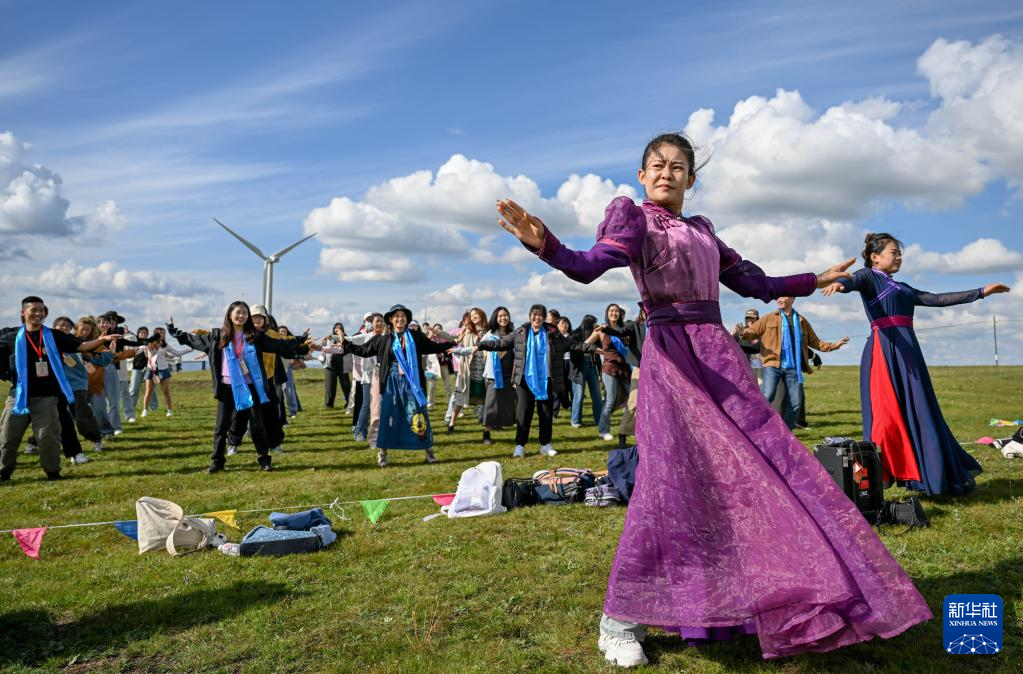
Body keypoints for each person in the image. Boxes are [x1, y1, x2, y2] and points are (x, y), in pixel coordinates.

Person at [494, 132, 931, 665]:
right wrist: (544, 243)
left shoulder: (703, 230)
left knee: (763, 469)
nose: (666, 173)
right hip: (672, 360)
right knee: (667, 483)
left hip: (720, 361)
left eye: (678, 167)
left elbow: (757, 282)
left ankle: (758, 594)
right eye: (656, 165)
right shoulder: (631, 216)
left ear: (691, 180)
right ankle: (621, 618)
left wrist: (816, 279)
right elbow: (590, 265)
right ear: (641, 174)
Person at [822, 233, 1011, 495]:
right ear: (875, 257)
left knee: (922, 412)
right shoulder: (869, 277)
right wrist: (840, 283)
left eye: (900, 253)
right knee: (886, 418)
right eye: (893, 252)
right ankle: (881, 474)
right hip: (884, 352)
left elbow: (938, 299)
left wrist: (981, 292)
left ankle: (930, 474)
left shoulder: (903, 288)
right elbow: (852, 281)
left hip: (909, 355)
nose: (898, 257)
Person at [166, 301, 313, 473]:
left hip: (251, 386)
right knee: (221, 427)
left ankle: (264, 460)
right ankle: (216, 462)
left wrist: (299, 339)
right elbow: (193, 340)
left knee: (257, 424)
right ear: (229, 315)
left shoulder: (254, 336)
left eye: (244, 313)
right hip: (227, 387)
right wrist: (173, 330)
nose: (241, 316)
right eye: (238, 312)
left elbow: (278, 345)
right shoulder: (218, 336)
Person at [0, 296, 119, 481]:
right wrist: (6, 373)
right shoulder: (11, 336)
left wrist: (101, 340)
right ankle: (4, 472)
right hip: (18, 396)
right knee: (8, 437)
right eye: (34, 310)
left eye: (42, 310)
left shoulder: (53, 336)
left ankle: (52, 472)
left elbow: (81, 346)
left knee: (49, 438)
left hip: (47, 397)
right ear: (23, 313)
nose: (39, 314)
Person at [477, 304, 601, 457]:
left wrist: (593, 349)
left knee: (546, 413)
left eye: (541, 315)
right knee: (524, 413)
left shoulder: (553, 334)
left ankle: (545, 444)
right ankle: (520, 445)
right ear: (530, 316)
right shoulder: (521, 332)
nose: (538, 318)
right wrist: (481, 345)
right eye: (535, 315)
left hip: (547, 380)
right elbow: (501, 343)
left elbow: (573, 344)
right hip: (524, 380)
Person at [337, 304, 454, 467]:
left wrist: (451, 344)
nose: (400, 319)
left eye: (403, 316)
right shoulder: (383, 339)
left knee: (417, 414)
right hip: (391, 381)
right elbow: (363, 350)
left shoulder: (416, 337)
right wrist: (346, 344)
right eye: (396, 316)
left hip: (412, 381)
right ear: (391, 320)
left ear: (407, 320)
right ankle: (382, 453)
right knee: (387, 415)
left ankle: (428, 451)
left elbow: (432, 347)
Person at [737, 297, 848, 430]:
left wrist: (834, 345)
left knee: (795, 402)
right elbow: (752, 332)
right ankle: (757, 425)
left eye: (782, 296)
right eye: (777, 297)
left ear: (792, 299)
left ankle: (784, 432)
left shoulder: (801, 321)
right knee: (768, 395)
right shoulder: (769, 318)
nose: (779, 299)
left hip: (793, 368)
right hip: (773, 364)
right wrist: (743, 333)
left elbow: (816, 342)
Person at [601, 306, 646, 448]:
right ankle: (623, 434)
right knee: (633, 402)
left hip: (657, 369)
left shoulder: (658, 327)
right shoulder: (634, 325)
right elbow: (620, 332)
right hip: (639, 368)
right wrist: (606, 329)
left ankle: (647, 434)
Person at [479, 307, 516, 445]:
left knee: (508, 403)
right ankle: (486, 434)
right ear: (495, 318)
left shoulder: (514, 334)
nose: (503, 318)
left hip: (510, 374)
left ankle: (502, 424)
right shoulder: (489, 335)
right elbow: (483, 352)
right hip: (493, 375)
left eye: (505, 315)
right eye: (500, 316)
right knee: (491, 404)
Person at [446, 307, 487, 432]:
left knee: (486, 397)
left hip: (484, 368)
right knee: (460, 396)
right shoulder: (467, 331)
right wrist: (438, 332)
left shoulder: (488, 331)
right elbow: (452, 338)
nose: (474, 316)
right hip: (468, 369)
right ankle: (452, 423)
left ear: (482, 315)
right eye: (472, 315)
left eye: (476, 314)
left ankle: (488, 424)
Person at [597, 303, 632, 441]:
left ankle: (630, 428)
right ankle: (603, 430)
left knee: (632, 399)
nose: (614, 313)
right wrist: (601, 351)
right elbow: (587, 344)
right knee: (610, 400)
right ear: (607, 313)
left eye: (616, 311)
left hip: (624, 370)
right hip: (609, 369)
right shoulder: (601, 329)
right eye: (611, 311)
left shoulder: (623, 330)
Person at [141, 332, 191, 418]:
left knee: (166, 392)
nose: (162, 335)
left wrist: (189, 349)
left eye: (163, 334)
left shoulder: (165, 345)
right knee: (149, 391)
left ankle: (169, 410)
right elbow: (147, 351)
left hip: (163, 370)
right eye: (160, 334)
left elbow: (176, 353)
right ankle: (145, 410)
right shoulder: (149, 345)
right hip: (152, 370)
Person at [569, 315, 603, 428]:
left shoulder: (596, 335)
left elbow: (599, 353)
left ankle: (599, 420)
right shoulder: (574, 334)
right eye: (594, 323)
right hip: (579, 366)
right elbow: (576, 349)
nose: (595, 326)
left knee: (597, 395)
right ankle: (575, 421)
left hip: (592, 365)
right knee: (578, 395)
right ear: (589, 323)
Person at [731, 309, 763, 385]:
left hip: (761, 365)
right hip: (745, 364)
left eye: (753, 318)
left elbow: (758, 347)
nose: (750, 320)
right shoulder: (739, 332)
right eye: (748, 318)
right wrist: (731, 336)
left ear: (757, 319)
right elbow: (731, 344)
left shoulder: (762, 331)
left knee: (761, 386)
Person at [323, 322, 351, 408]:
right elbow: (324, 348)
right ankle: (329, 404)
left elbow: (344, 346)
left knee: (346, 384)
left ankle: (349, 402)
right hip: (330, 362)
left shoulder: (346, 338)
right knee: (330, 384)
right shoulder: (329, 338)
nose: (338, 329)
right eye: (336, 328)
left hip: (342, 362)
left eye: (340, 328)